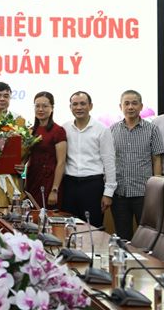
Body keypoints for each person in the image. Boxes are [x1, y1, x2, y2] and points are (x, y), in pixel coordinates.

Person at [109, 89, 164, 240]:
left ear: (141, 106)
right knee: (123, 237)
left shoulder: (152, 129)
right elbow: (108, 160)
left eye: (134, 103)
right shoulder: (112, 130)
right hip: (119, 194)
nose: (130, 107)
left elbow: (157, 160)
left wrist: (157, 190)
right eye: (126, 103)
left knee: (147, 237)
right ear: (120, 106)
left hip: (144, 194)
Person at [61, 90, 116, 228]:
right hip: (69, 186)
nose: (79, 107)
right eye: (75, 104)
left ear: (90, 106)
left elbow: (109, 162)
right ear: (70, 107)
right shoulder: (64, 128)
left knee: (92, 228)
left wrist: (108, 193)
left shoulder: (102, 129)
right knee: (69, 228)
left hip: (93, 186)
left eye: (83, 104)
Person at [24, 91, 66, 210]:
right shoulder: (30, 131)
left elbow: (61, 162)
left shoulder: (58, 131)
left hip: (49, 181)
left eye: (45, 106)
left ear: (52, 108)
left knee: (48, 215)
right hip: (32, 178)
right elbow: (26, 155)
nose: (40, 109)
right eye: (37, 106)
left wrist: (55, 190)